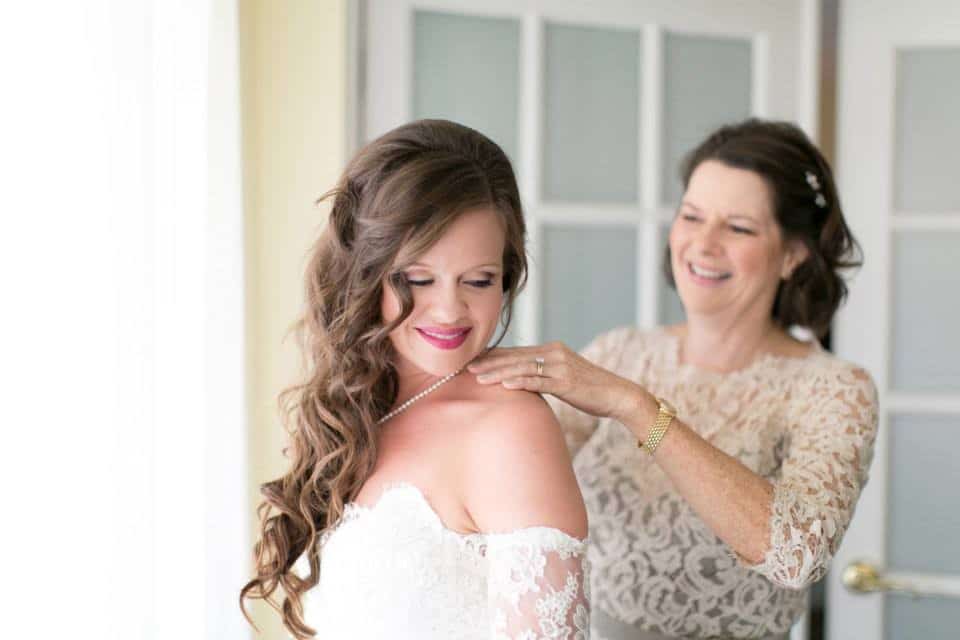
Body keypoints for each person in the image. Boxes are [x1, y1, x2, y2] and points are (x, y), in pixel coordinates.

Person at [468, 119, 879, 640]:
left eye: (739, 228)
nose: (703, 245)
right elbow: (506, 488)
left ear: (794, 254)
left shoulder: (835, 389)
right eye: (692, 216)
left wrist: (635, 407)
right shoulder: (621, 351)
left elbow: (795, 553)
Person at [240, 119, 591, 639]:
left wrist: (647, 417)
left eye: (479, 279)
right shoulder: (351, 406)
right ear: (363, 272)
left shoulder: (511, 427)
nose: (450, 310)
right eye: (417, 279)